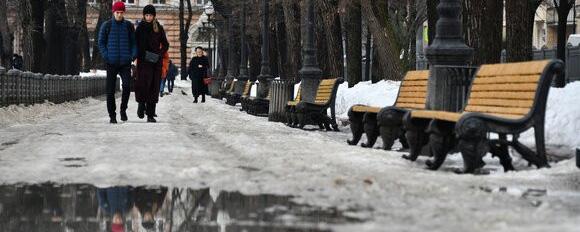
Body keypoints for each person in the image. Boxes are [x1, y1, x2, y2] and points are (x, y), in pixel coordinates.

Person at [98, 1, 137, 124]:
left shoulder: (129, 26)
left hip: (125, 63)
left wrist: (132, 56)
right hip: (111, 62)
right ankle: (112, 115)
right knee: (110, 91)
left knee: (126, 87)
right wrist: (106, 56)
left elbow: (134, 43)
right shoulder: (107, 25)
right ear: (113, 12)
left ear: (124, 12)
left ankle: (123, 110)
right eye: (117, 12)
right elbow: (101, 42)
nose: (119, 15)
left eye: (121, 12)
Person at [135, 4, 169, 123]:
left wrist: (159, 54)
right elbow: (135, 43)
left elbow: (165, 44)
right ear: (144, 16)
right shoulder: (140, 27)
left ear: (154, 16)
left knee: (153, 88)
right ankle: (141, 105)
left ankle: (150, 114)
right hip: (143, 62)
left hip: (155, 62)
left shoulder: (158, 28)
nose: (148, 17)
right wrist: (137, 55)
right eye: (147, 15)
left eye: (150, 15)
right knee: (143, 85)